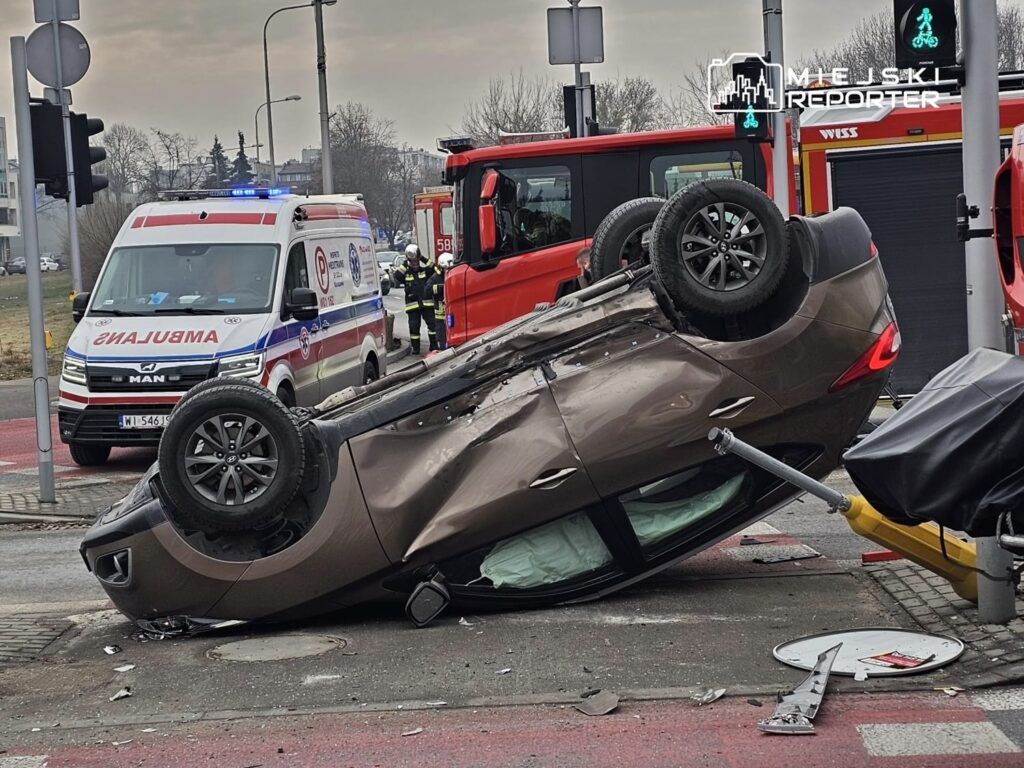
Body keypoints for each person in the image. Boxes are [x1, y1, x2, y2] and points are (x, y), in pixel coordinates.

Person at [392, 244, 437, 354]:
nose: (415, 264)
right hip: (413, 306)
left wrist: (421, 257)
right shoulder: (406, 274)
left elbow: (435, 268)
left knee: (432, 327)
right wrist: (405, 261)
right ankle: (416, 349)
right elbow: (397, 275)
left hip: (427, 305)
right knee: (414, 329)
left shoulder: (425, 271)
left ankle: (434, 346)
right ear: (409, 262)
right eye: (413, 262)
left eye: (417, 262)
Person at [427, 252, 454, 350]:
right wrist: (443, 288)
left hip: (453, 313)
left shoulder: (454, 275)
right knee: (442, 341)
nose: (448, 271)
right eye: (446, 269)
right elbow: (427, 290)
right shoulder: (435, 278)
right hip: (441, 317)